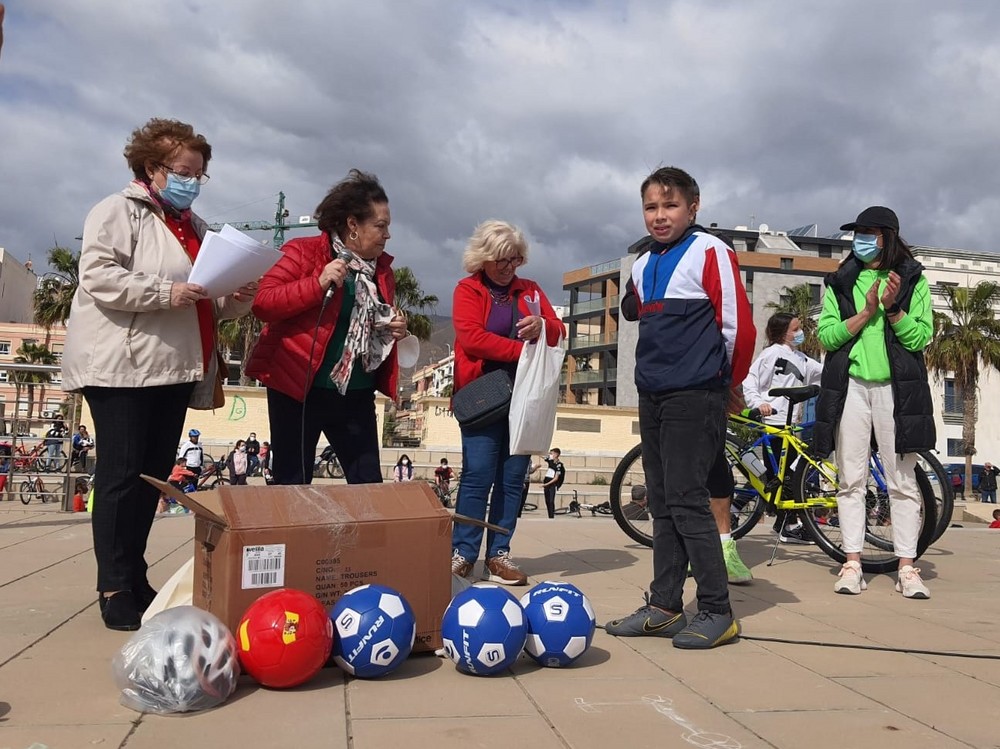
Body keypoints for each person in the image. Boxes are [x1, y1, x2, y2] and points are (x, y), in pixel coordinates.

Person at [60, 118, 256, 631]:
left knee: (151, 478)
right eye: (184, 171)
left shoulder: (194, 227)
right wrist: (163, 293)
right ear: (153, 167)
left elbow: (202, 303)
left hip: (172, 366)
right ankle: (113, 585)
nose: (193, 181)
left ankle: (135, 574)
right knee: (122, 477)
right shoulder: (118, 211)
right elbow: (98, 276)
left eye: (200, 173)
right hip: (123, 367)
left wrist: (234, 299)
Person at [605, 167, 754, 649]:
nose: (660, 216)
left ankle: (717, 610)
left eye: (670, 206)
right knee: (663, 500)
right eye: (651, 207)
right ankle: (664, 606)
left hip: (698, 392)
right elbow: (635, 310)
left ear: (693, 207)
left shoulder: (712, 250)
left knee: (690, 499)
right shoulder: (644, 264)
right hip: (654, 392)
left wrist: (727, 382)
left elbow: (737, 325)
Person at [246, 170, 407, 485]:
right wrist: (316, 284)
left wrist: (393, 327)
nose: (387, 234)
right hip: (299, 389)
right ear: (352, 225)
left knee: (369, 486)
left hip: (355, 393)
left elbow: (364, 324)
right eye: (380, 225)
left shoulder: (382, 270)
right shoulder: (303, 252)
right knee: (292, 485)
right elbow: (263, 303)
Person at [814, 206, 935, 599]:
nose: (861, 240)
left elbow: (919, 339)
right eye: (857, 233)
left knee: (902, 481)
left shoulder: (914, 280)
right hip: (851, 388)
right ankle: (852, 563)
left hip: (897, 392)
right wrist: (867, 310)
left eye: (869, 233)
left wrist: (893, 308)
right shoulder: (841, 281)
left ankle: (907, 566)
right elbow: (828, 337)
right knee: (850, 479)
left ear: (889, 236)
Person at [450, 220, 565, 586]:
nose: (508, 267)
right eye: (501, 259)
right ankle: (463, 553)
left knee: (513, 479)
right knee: (477, 477)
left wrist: (542, 326)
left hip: (524, 398)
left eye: (515, 259)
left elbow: (558, 329)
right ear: (483, 257)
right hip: (484, 396)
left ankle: (499, 554)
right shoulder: (467, 289)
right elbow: (472, 339)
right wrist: (524, 353)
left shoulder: (529, 290)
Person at [742, 312, 824, 545]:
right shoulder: (771, 354)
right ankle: (787, 525)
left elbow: (824, 373)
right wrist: (759, 404)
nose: (800, 333)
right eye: (796, 329)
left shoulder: (802, 358)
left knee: (784, 473)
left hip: (790, 423)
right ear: (782, 333)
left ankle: (778, 520)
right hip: (772, 421)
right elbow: (751, 381)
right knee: (786, 473)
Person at [541, 448, 566, 519]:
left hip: (552, 484)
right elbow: (543, 456)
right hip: (546, 482)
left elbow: (556, 478)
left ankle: (551, 516)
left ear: (556, 454)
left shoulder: (559, 465)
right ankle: (549, 515)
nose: (550, 455)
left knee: (551, 500)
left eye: (551, 454)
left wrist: (547, 484)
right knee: (547, 500)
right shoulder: (550, 461)